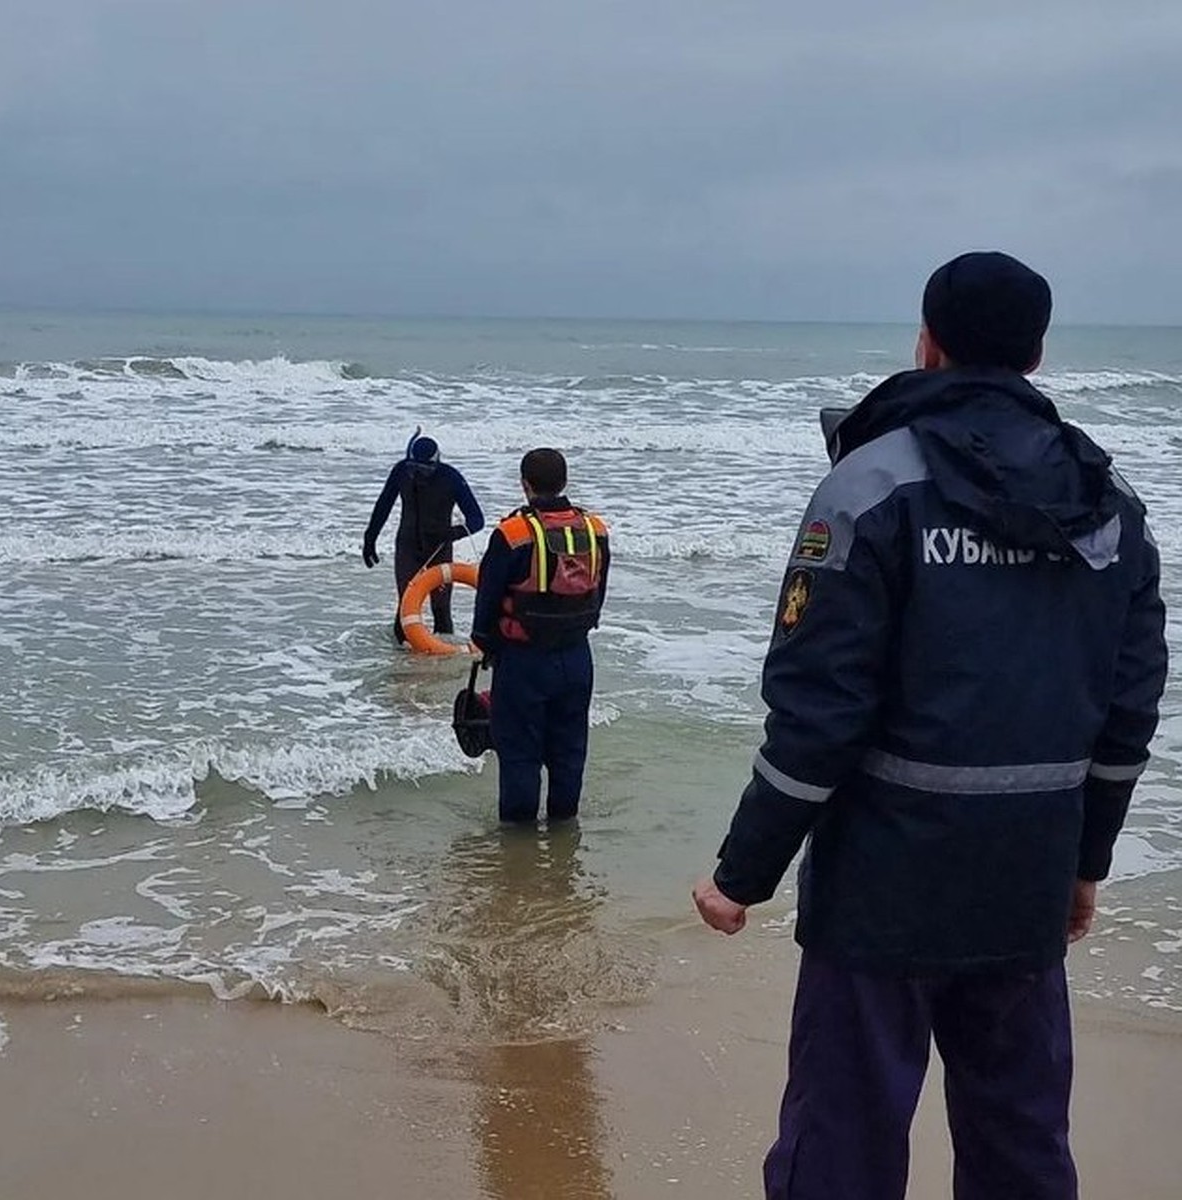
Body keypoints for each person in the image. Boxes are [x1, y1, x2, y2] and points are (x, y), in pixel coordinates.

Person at [692, 251, 1167, 1200]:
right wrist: (1085, 865)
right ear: (1034, 355)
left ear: (928, 343)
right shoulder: (1107, 507)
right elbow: (1128, 715)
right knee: (1021, 1142)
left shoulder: (870, 487)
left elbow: (819, 707)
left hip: (883, 892)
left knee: (843, 1144)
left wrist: (742, 873)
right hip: (1025, 878)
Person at [470, 448, 611, 823]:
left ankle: (518, 847)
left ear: (525, 485)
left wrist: (483, 642)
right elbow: (600, 591)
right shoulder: (595, 530)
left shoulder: (513, 534)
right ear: (564, 483)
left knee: (519, 753)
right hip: (578, 658)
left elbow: (488, 596)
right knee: (570, 750)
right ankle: (564, 829)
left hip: (523, 660)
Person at [362, 429, 485, 642]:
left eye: (425, 470)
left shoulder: (451, 477)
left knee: (441, 608)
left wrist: (451, 534)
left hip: (439, 548)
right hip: (407, 546)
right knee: (406, 605)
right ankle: (399, 662)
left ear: (435, 463)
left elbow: (477, 520)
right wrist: (369, 539)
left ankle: (445, 666)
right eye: (414, 468)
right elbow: (383, 505)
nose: (419, 475)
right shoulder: (401, 471)